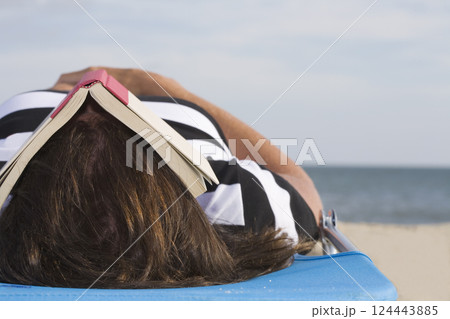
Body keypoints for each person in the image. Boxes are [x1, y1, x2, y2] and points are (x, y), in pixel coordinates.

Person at [0, 67, 323, 288]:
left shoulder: (8, 188)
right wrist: (165, 89)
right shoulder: (222, 193)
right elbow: (303, 190)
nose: (94, 101)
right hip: (174, 114)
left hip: (36, 106)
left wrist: (62, 90)